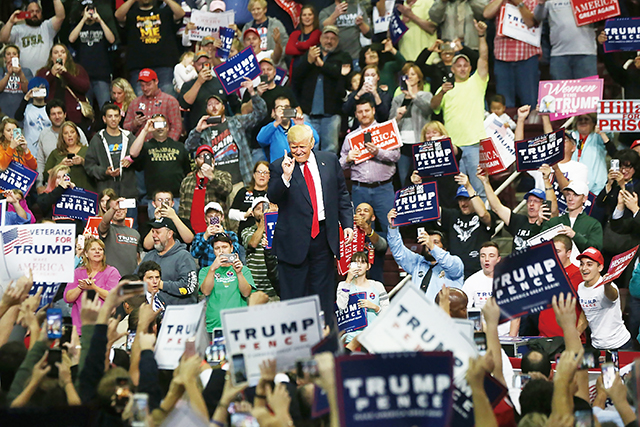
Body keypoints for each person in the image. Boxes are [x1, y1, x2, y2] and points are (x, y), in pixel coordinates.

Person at [268, 124, 353, 324]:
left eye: (302, 147)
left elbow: (341, 193)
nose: (297, 151)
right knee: (294, 297)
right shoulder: (279, 165)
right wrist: (285, 176)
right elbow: (272, 196)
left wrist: (347, 223)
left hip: (324, 237)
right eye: (293, 146)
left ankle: (325, 336)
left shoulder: (330, 161)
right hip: (292, 242)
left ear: (312, 143)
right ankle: (296, 339)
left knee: (323, 294)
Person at [431, 20, 489, 199]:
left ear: (470, 68)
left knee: (480, 188)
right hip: (453, 147)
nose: (462, 68)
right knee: (458, 193)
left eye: (466, 65)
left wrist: (481, 36)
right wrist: (441, 92)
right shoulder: (446, 87)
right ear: (453, 68)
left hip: (474, 143)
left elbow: (484, 58)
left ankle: (486, 225)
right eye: (459, 65)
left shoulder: (477, 82)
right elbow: (433, 107)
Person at [184, 81, 267, 190]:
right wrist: (197, 129)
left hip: (241, 182)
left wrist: (252, 92)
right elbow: (188, 147)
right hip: (217, 184)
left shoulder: (236, 122)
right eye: (210, 104)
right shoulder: (203, 130)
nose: (213, 106)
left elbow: (260, 113)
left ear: (223, 106)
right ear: (206, 110)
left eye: (217, 103)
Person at [340, 98, 399, 233]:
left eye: (367, 110)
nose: (364, 114)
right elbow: (340, 165)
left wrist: (378, 152)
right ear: (355, 114)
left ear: (373, 111)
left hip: (384, 188)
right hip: (359, 189)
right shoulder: (350, 137)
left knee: (391, 228)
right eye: (360, 112)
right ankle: (363, 255)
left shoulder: (385, 130)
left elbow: (396, 156)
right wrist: (348, 159)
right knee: (361, 231)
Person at [293, 26, 352, 153]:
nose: (329, 41)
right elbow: (296, 77)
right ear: (320, 38)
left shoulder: (344, 57)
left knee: (330, 150)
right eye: (326, 37)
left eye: (332, 38)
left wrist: (322, 65)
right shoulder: (310, 54)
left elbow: (344, 76)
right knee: (306, 149)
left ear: (337, 41)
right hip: (308, 112)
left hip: (331, 113)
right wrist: (308, 61)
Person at [387, 208, 465, 301]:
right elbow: (398, 250)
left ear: (444, 248)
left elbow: (447, 262)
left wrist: (432, 247)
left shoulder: (455, 262)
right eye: (427, 242)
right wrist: (393, 227)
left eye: (435, 242)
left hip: (443, 313)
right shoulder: (417, 263)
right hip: (418, 312)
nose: (429, 244)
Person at [115, 0, 185, 96]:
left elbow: (180, 13)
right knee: (141, 105)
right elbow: (118, 15)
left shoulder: (164, 13)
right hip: (138, 66)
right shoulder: (132, 15)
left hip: (164, 64)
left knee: (167, 101)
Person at [478, 166, 555, 252]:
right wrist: (485, 182)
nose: (531, 204)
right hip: (517, 264)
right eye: (529, 201)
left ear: (543, 205)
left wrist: (546, 180)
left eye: (536, 201)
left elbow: (554, 209)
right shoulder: (519, 220)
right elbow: (497, 208)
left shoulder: (547, 224)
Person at [241, 57, 301, 164]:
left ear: (274, 72)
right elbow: (244, 111)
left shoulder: (285, 91)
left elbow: (298, 112)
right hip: (257, 143)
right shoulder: (251, 91)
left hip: (281, 140)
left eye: (269, 69)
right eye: (262, 70)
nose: (266, 72)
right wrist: (256, 95)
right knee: (259, 176)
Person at [129, 114, 191, 215]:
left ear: (167, 127)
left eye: (163, 124)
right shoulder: (146, 147)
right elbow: (133, 153)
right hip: (154, 200)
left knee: (177, 228)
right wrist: (145, 130)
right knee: (157, 229)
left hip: (176, 198)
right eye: (156, 124)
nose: (160, 128)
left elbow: (188, 171)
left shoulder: (179, 146)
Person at [483, 0, 540, 108]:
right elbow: (486, 13)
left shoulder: (533, 1)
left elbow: (531, 22)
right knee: (504, 105)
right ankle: (507, 125)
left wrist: (519, 3)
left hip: (526, 57)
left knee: (530, 103)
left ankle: (530, 125)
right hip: (502, 57)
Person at [85, 104, 138, 220]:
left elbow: (141, 159)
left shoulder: (129, 137)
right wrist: (105, 172)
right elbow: (89, 166)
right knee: (106, 228)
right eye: (110, 116)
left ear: (120, 118)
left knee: (131, 228)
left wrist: (132, 160)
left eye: (116, 116)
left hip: (128, 192)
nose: (113, 119)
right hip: (106, 195)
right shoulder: (98, 139)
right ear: (104, 119)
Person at [441, 174, 496, 278]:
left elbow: (483, 214)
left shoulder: (486, 216)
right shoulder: (452, 215)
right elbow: (432, 210)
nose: (463, 203)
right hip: (455, 272)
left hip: (478, 272)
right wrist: (418, 187)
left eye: (467, 199)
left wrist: (468, 187)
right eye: (460, 199)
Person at [577, 247, 632, 350]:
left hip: (620, 345)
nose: (584, 268)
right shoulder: (580, 288)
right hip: (597, 346)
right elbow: (586, 312)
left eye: (589, 264)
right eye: (581, 264)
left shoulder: (609, 287)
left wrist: (607, 285)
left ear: (600, 267)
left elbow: (612, 296)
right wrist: (576, 334)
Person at [63, 237, 121, 333]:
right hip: (79, 328)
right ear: (86, 253)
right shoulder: (77, 272)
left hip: (102, 327)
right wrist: (80, 287)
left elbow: (113, 297)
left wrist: (93, 287)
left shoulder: (111, 272)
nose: (97, 252)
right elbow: (67, 298)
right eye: (93, 249)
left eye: (100, 249)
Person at [200, 233, 255, 332]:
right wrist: (212, 269)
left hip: (240, 323)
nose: (221, 251)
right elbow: (206, 292)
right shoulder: (205, 271)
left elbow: (246, 293)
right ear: (213, 251)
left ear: (231, 248)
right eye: (217, 248)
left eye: (224, 247)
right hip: (215, 325)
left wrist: (239, 273)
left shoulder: (244, 270)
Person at [463, 241, 520, 336]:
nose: (486, 259)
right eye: (483, 256)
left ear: (498, 259)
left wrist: (512, 340)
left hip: (506, 336)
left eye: (491, 256)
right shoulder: (471, 281)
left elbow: (516, 316)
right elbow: (465, 311)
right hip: (482, 336)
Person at [390, 63, 433, 185]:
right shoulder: (397, 99)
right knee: (405, 180)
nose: (409, 77)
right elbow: (390, 124)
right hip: (402, 146)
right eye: (406, 75)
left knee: (422, 178)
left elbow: (428, 110)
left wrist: (413, 96)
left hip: (420, 144)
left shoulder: (425, 95)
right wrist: (397, 117)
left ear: (419, 77)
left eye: (413, 74)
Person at [537, 235, 587, 338]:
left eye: (558, 251)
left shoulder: (578, 274)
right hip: (544, 338)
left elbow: (588, 309)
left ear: (568, 253)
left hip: (568, 339)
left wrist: (577, 333)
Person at [533, 0, 597, 80]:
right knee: (559, 92)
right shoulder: (549, 1)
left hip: (586, 53)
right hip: (559, 55)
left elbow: (605, 12)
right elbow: (537, 18)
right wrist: (541, 4)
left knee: (588, 92)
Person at [140, 217, 198, 305]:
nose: (154, 236)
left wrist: (162, 285)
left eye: (158, 232)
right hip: (153, 313)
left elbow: (189, 286)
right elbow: (136, 277)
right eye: (153, 232)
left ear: (170, 234)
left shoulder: (184, 257)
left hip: (179, 312)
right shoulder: (149, 256)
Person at [68, 6, 117, 109]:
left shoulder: (102, 26)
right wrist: (83, 20)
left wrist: (100, 20)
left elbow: (112, 39)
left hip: (102, 75)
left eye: (92, 10)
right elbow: (71, 39)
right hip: (83, 77)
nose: (90, 13)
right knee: (85, 110)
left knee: (106, 108)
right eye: (87, 10)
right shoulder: (78, 26)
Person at [179, 50, 241, 132]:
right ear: (194, 65)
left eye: (206, 64)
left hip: (223, 130)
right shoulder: (188, 85)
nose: (203, 67)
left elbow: (236, 105)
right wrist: (199, 82)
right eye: (200, 64)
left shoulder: (222, 82)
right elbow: (184, 104)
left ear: (210, 64)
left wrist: (236, 124)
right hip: (199, 131)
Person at [540, 180, 603, 259]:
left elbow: (596, 250)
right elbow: (538, 245)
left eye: (576, 195)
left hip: (581, 268)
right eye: (568, 194)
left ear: (584, 198)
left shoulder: (593, 224)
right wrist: (538, 223)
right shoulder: (554, 222)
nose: (570, 198)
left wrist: (575, 236)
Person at [35, 100, 89, 192]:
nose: (57, 117)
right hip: (54, 187)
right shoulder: (44, 135)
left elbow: (89, 158)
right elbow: (40, 163)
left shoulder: (78, 131)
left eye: (59, 113)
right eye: (53, 114)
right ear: (48, 117)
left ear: (65, 114)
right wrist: (39, 184)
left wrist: (82, 161)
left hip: (81, 185)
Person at [336, 251, 389, 344]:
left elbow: (387, 314)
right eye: (356, 263)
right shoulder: (343, 285)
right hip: (349, 339)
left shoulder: (377, 286)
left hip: (373, 337)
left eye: (363, 262)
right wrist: (348, 280)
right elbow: (341, 306)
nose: (359, 266)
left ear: (368, 266)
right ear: (350, 266)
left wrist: (375, 307)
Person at [0, 0, 65, 75]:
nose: (34, 14)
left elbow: (61, 16)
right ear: (25, 13)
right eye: (31, 11)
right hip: (23, 75)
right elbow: (2, 38)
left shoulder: (47, 27)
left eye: (37, 11)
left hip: (46, 74)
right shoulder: (17, 29)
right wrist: (11, 22)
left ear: (41, 13)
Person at [179, 145, 233, 234]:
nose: (204, 159)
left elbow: (227, 189)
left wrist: (211, 176)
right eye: (201, 156)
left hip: (215, 231)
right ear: (196, 161)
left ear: (213, 160)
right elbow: (182, 209)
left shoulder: (222, 176)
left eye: (207, 156)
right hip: (191, 233)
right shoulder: (187, 181)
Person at [36, 43, 91, 129]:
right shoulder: (43, 71)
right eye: (56, 52)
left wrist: (66, 74)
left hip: (74, 116)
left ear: (67, 56)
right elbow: (37, 90)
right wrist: (51, 74)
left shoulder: (77, 69)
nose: (59, 54)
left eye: (62, 52)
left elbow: (84, 87)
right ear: (51, 57)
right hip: (51, 117)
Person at [410, 121, 463, 209]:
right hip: (429, 194)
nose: (431, 136)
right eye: (428, 133)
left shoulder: (450, 149)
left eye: (434, 132)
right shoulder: (418, 154)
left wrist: (444, 142)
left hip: (449, 193)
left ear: (442, 134)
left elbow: (458, 152)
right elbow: (412, 175)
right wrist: (414, 178)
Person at [121, 69, 182, 142]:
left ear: (156, 81)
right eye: (142, 85)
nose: (145, 88)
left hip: (164, 149)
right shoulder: (134, 103)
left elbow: (176, 128)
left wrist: (168, 145)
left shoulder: (170, 101)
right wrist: (134, 124)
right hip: (140, 148)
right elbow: (125, 129)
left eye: (148, 84)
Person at [257, 96, 319, 162]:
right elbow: (260, 139)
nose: (283, 110)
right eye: (280, 107)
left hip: (299, 165)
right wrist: (277, 122)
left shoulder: (300, 123)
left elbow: (315, 139)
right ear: (274, 111)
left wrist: (301, 126)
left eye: (286, 107)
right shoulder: (271, 128)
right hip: (279, 168)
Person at [241, 197, 279, 300]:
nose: (262, 210)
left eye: (265, 207)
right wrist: (264, 222)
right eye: (258, 208)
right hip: (255, 290)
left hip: (275, 288)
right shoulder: (247, 231)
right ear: (252, 213)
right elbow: (252, 243)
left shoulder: (279, 228)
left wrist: (275, 216)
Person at [415, 38, 479, 95]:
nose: (447, 51)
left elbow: (478, 62)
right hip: (439, 102)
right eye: (444, 47)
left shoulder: (463, 68)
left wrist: (462, 49)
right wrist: (430, 50)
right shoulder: (435, 69)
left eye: (449, 47)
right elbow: (417, 66)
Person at [43, 121, 95, 191]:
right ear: (62, 137)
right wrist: (61, 165)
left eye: (72, 132)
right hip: (63, 195)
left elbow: (97, 171)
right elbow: (46, 176)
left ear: (77, 134)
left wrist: (83, 162)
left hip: (86, 193)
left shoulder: (88, 150)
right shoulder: (56, 153)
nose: (69, 135)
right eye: (66, 133)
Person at [99, 196, 141, 276]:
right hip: (111, 278)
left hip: (131, 279)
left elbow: (138, 258)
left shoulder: (135, 233)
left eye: (121, 208)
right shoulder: (107, 229)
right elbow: (104, 222)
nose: (118, 211)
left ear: (126, 210)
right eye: (115, 209)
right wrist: (113, 209)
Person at [191, 201, 241, 268]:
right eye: (210, 217)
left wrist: (224, 235)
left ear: (222, 217)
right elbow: (194, 254)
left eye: (217, 216)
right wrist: (205, 237)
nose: (213, 219)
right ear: (205, 219)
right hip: (207, 273)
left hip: (227, 272)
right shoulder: (199, 236)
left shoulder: (231, 235)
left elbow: (235, 253)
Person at [229, 161, 270, 242]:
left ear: (269, 176)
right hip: (244, 237)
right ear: (254, 175)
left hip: (266, 239)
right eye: (259, 172)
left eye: (265, 172)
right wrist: (244, 215)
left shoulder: (272, 194)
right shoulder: (243, 192)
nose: (262, 175)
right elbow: (231, 213)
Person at [342, 65, 391, 129]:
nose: (370, 77)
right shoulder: (356, 94)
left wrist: (375, 94)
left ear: (378, 77)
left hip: (378, 129)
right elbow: (346, 110)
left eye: (373, 75)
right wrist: (359, 94)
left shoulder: (384, 95)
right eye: (367, 75)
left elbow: (384, 115)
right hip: (359, 128)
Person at [242, 0, 289, 66]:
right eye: (253, 10)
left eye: (258, 9)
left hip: (275, 65)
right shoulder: (247, 27)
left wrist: (276, 58)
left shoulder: (275, 24)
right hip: (254, 66)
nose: (256, 12)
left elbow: (286, 44)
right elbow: (242, 47)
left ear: (265, 10)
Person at [13, 77, 51, 155]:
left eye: (42, 88)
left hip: (49, 150)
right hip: (30, 151)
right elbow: (17, 117)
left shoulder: (51, 108)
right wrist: (26, 98)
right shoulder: (27, 108)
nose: (39, 90)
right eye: (36, 88)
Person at [353, 202, 388, 283]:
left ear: (373, 218)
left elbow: (382, 246)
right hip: (352, 283)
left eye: (366, 210)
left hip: (373, 284)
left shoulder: (379, 235)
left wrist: (366, 228)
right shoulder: (349, 236)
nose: (361, 213)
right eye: (358, 210)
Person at [285, 5, 322, 80]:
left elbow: (306, 45)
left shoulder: (317, 33)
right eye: (304, 15)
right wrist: (306, 52)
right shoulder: (295, 34)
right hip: (295, 71)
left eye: (310, 15)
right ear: (300, 18)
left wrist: (296, 44)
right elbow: (288, 50)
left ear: (314, 17)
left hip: (311, 72)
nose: (307, 17)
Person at [0, 44, 33, 121]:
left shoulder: (26, 71)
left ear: (18, 57)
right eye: (8, 54)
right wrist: (8, 74)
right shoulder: (1, 71)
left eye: (14, 54)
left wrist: (20, 74)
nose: (11, 56)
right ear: (4, 58)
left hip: (21, 114)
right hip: (3, 114)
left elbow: (27, 90)